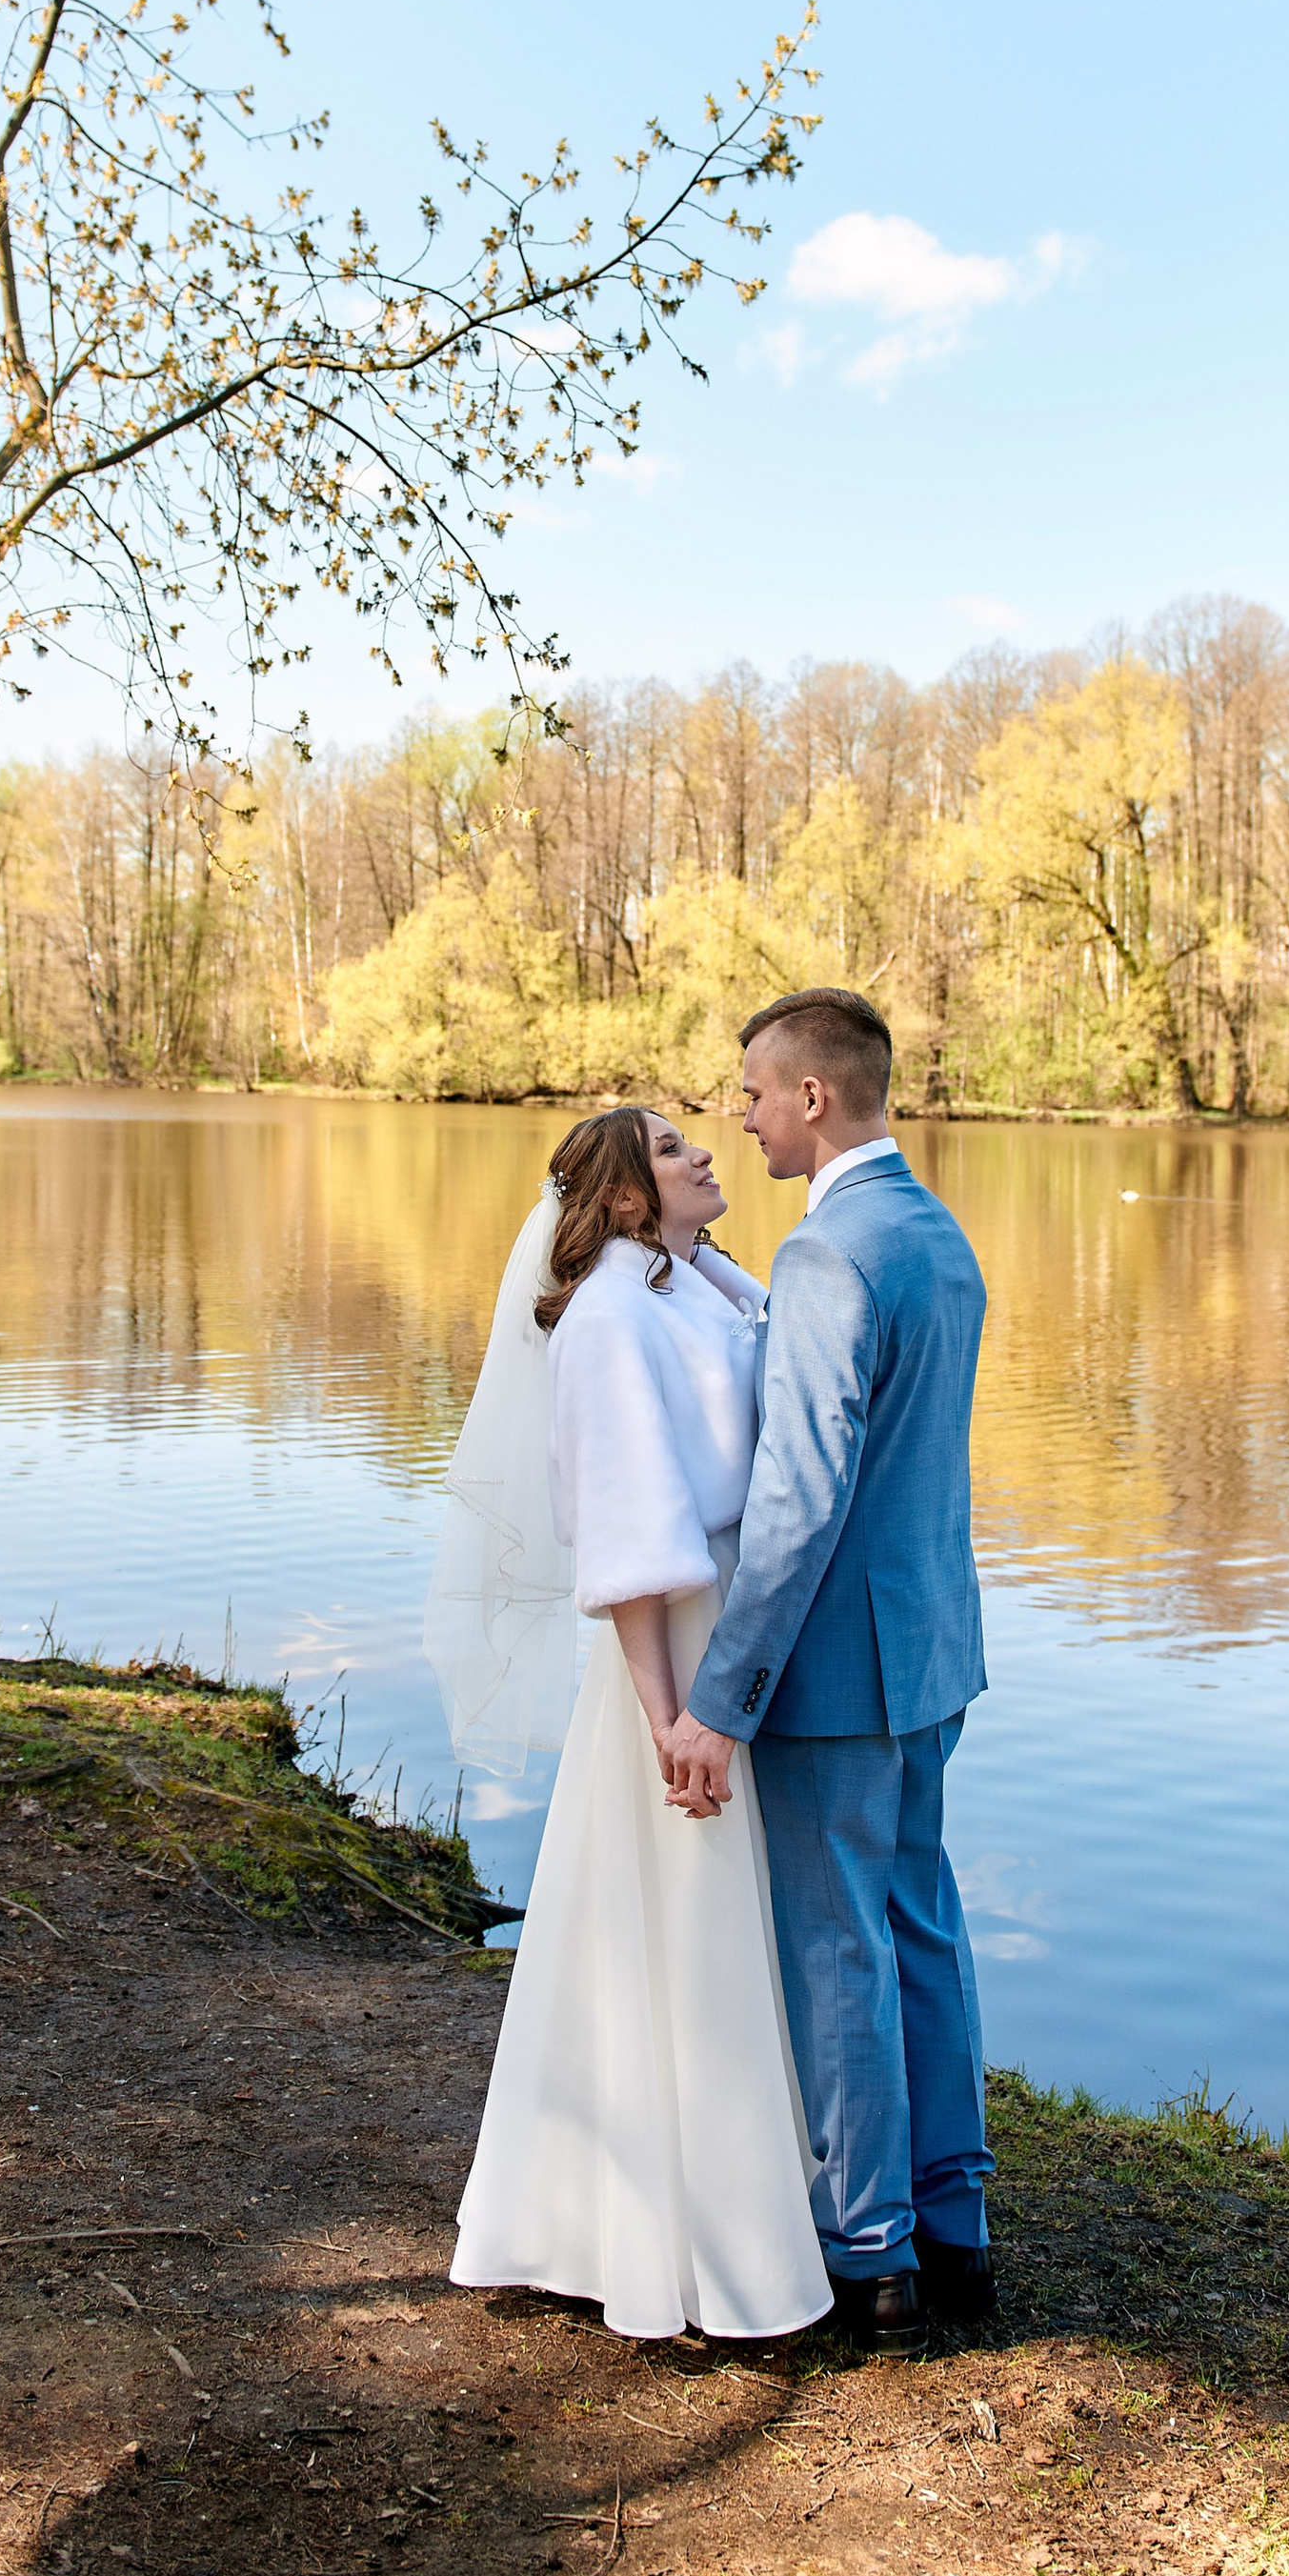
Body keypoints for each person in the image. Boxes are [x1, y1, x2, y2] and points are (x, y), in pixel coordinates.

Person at [431, 1105, 832, 2344]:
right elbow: (624, 1536)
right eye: (671, 1151)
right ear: (618, 1200)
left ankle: (718, 2218)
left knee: (702, 1927)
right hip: (675, 1660)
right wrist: (672, 1717)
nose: (707, 1152)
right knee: (677, 1926)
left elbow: (768, 1346)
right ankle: (683, 2248)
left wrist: (697, 1249)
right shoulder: (607, 1319)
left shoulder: (681, 1288)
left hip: (722, 1636)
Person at [663, 987, 995, 2355]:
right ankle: (954, 2216)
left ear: (812, 1097)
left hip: (842, 1675)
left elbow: (796, 1506)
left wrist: (718, 1700)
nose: (737, 1117)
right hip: (933, 1652)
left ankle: (869, 2251)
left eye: (752, 1092)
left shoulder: (829, 1260)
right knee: (922, 1921)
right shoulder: (937, 1234)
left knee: (836, 1946)